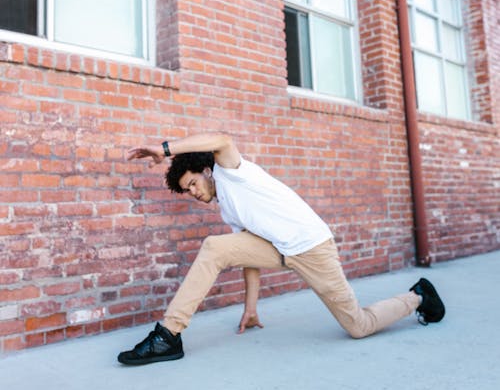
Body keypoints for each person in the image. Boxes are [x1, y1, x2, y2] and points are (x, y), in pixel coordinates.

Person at [117, 132, 445, 366]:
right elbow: (246, 256)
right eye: (188, 192)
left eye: (193, 184)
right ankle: (168, 336)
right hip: (280, 250)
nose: (194, 192)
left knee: (357, 326)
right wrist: (251, 306)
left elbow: (221, 138)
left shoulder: (232, 173)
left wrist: (165, 148)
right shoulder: (229, 208)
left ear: (206, 171)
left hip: (313, 249)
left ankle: (418, 296)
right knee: (216, 247)